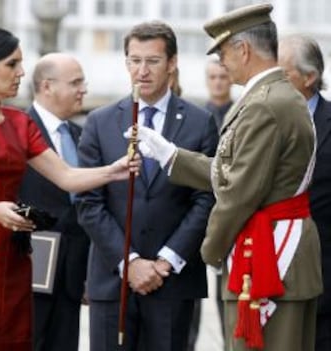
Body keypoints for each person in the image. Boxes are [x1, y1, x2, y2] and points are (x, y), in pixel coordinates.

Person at [0, 26, 138, 351]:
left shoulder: (20, 122)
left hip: (15, 257)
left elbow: (66, 177)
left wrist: (115, 170)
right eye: (12, 64)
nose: (22, 72)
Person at [130, 4, 322, 351]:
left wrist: (210, 251)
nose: (221, 63)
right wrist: (172, 156)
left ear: (243, 50)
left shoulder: (264, 104)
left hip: (267, 258)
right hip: (276, 255)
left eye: (222, 53)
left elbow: (238, 193)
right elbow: (236, 172)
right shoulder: (277, 96)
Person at [76, 20, 218, 351]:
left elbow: (207, 198)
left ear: (172, 63)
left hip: (173, 281)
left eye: (152, 61)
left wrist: (166, 261)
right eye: (134, 60)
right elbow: (87, 202)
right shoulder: (99, 122)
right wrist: (131, 262)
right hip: (113, 281)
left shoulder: (200, 122)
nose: (142, 70)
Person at [18, 52, 90, 351]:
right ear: (47, 87)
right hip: (29, 268)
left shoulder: (81, 135)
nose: (83, 90)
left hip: (72, 276)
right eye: (75, 83)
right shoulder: (17, 129)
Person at [278, 34, 331, 351]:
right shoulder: (264, 120)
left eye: (282, 75)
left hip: (325, 276)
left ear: (310, 77)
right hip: (270, 275)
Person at [187, 57, 233, 351]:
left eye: (222, 77)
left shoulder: (242, 113)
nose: (218, 82)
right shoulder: (198, 116)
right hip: (199, 210)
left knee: (226, 291)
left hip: (229, 211)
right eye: (213, 77)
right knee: (191, 291)